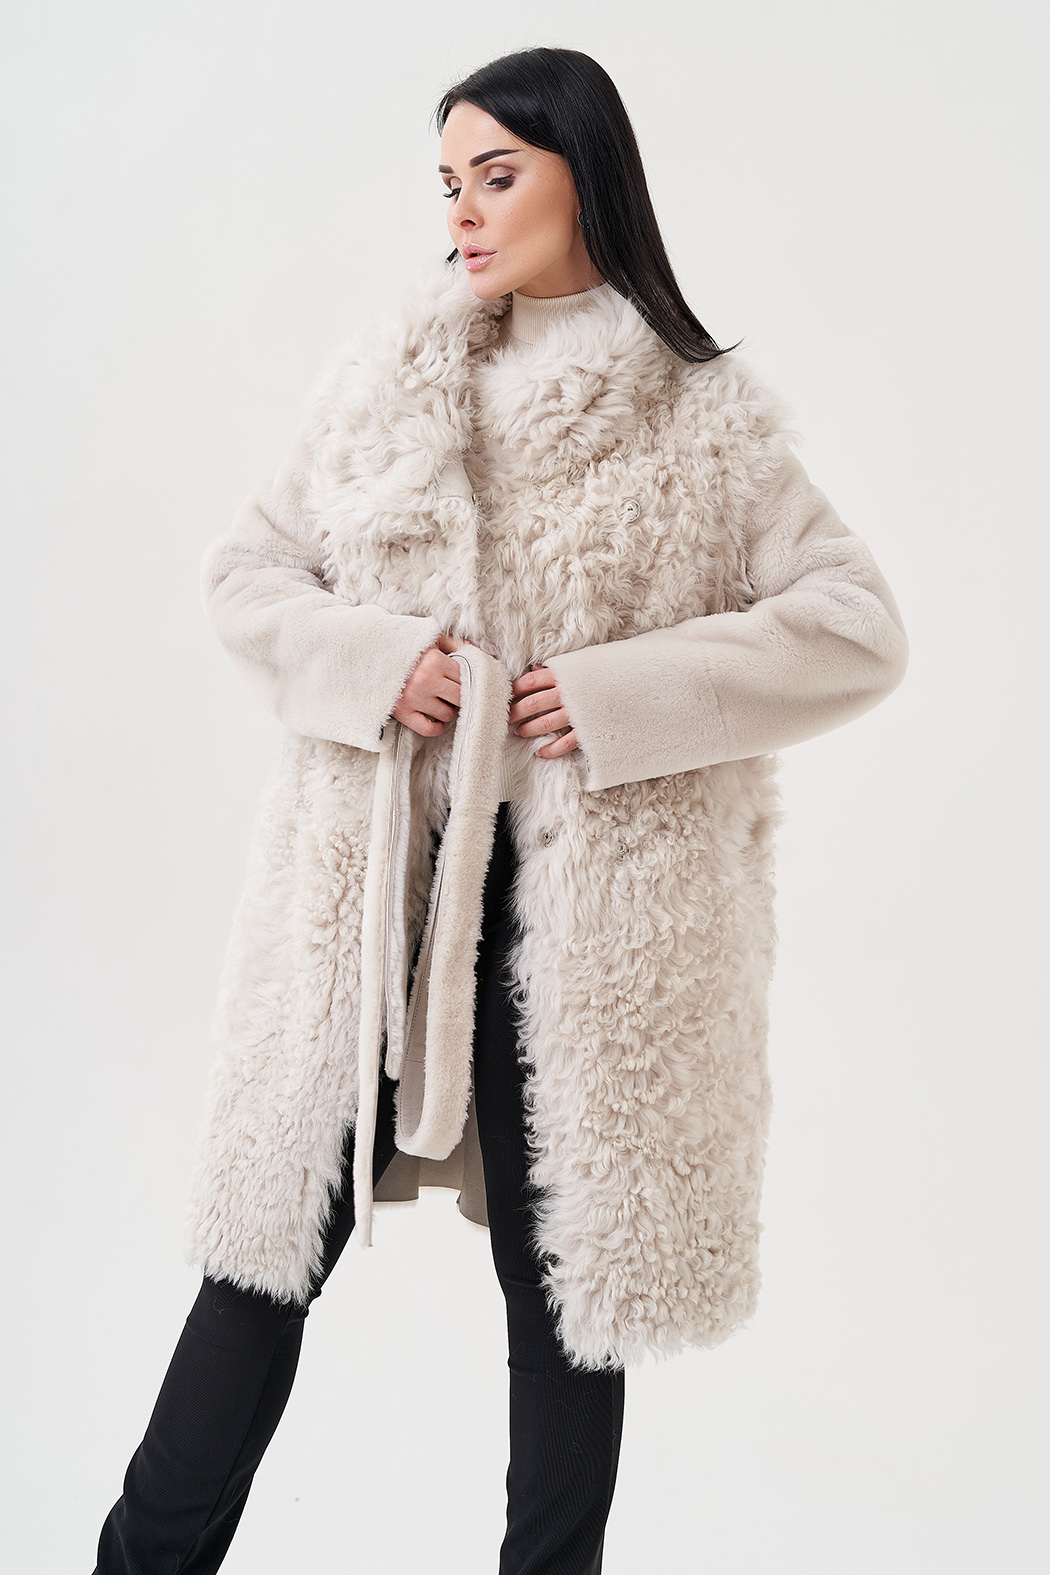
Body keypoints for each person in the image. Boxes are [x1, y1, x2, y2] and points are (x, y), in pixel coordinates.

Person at [92, 45, 909, 1575]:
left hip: (579, 935)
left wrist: (622, 695)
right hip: (372, 910)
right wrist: (375, 663)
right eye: (448, 183)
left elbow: (855, 629)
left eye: (496, 174)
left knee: (560, 1297)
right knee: (263, 1259)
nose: (462, 211)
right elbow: (246, 576)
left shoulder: (698, 416)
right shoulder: (387, 384)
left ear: (582, 177)